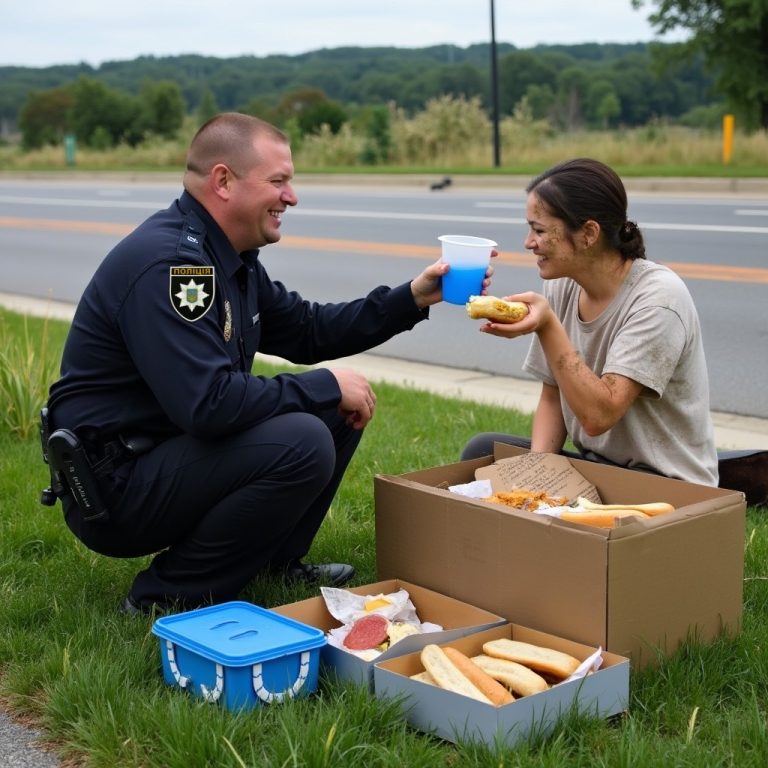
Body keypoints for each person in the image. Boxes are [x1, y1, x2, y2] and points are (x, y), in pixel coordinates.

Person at [44, 112, 492, 615]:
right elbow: (209, 405)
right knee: (303, 438)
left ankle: (272, 560)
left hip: (162, 451)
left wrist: (413, 298)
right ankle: (166, 596)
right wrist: (323, 384)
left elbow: (307, 329)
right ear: (224, 181)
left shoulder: (228, 258)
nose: (292, 196)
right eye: (278, 181)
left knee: (332, 412)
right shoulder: (175, 266)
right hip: (116, 488)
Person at [461, 157, 719, 487]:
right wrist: (535, 477)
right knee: (481, 450)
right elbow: (553, 398)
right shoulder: (560, 284)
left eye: (539, 230)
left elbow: (600, 416)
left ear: (588, 233)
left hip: (664, 481)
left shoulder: (659, 299)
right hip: (599, 467)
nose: (528, 242)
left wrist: (547, 325)